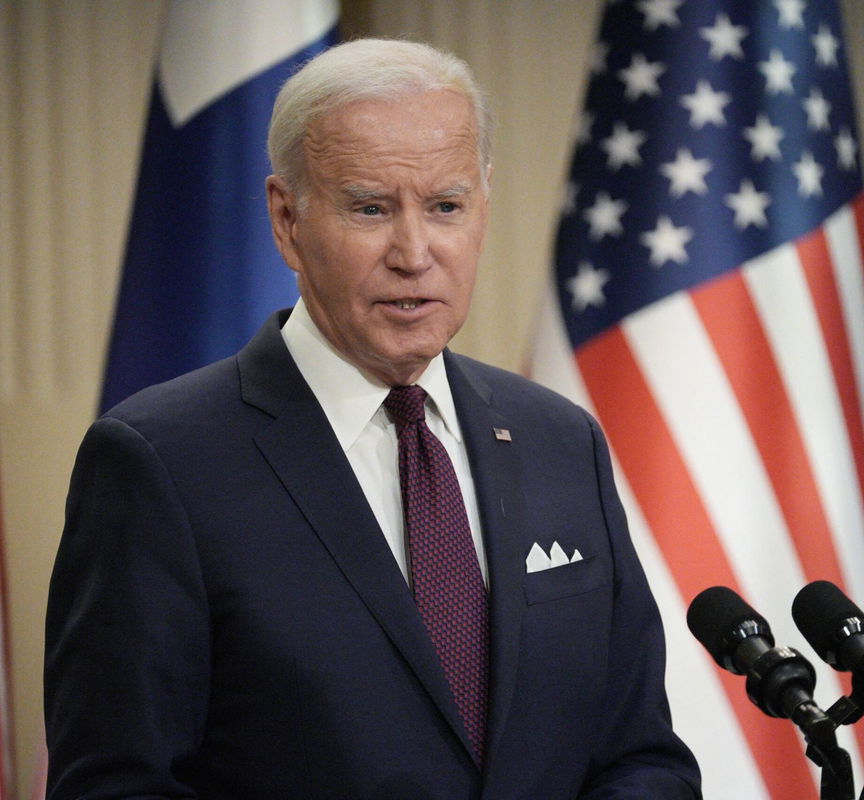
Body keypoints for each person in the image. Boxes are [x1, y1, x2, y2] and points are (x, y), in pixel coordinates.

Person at [44, 38, 701, 799]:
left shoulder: (562, 440)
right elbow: (119, 787)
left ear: (484, 205)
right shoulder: (160, 463)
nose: (414, 252)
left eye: (446, 206)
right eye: (370, 209)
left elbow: (641, 757)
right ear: (288, 220)